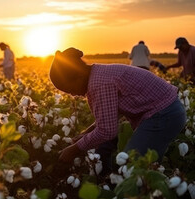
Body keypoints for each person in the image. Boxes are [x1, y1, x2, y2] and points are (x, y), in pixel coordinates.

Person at [49, 47, 186, 170]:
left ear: (78, 76)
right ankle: (107, 178)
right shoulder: (97, 74)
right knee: (137, 166)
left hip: (163, 115)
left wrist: (74, 150)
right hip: (167, 111)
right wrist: (86, 133)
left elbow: (106, 131)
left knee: (132, 167)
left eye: (70, 89)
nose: (73, 94)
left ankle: (140, 195)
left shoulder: (99, 84)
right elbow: (109, 116)